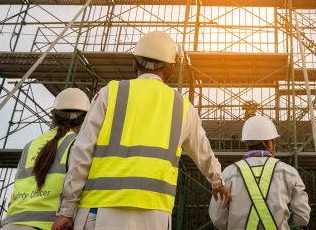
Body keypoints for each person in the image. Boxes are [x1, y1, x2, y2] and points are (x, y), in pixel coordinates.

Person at [52, 31, 230, 230]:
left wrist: (66, 210)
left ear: (134, 62)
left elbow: (82, 152)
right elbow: (203, 153)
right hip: (155, 214)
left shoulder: (110, 93)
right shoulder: (183, 107)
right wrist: (218, 182)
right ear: (171, 68)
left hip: (100, 209)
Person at [2, 88, 90, 230]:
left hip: (12, 222)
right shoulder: (78, 143)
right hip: (49, 224)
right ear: (85, 119)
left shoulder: (30, 145)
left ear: (54, 116)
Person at [209, 115, 311, 230]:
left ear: (247, 142)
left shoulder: (228, 173)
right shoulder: (289, 173)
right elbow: (302, 216)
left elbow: (217, 218)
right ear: (270, 143)